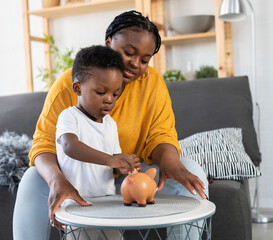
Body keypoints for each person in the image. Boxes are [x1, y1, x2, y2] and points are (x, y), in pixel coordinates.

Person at [13, 10, 208, 240]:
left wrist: (170, 162)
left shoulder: (152, 83)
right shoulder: (72, 82)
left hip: (126, 178)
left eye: (145, 60)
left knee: (192, 170)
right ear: (109, 43)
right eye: (129, 52)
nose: (135, 64)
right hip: (75, 178)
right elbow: (45, 144)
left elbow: (159, 136)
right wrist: (57, 179)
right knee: (31, 179)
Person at [56, 45, 139, 239]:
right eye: (101, 93)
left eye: (115, 94)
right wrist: (110, 160)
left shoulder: (110, 124)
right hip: (77, 204)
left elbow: (114, 163)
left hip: (108, 202)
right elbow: (70, 146)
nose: (109, 99)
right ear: (78, 88)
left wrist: (123, 165)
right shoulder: (69, 116)